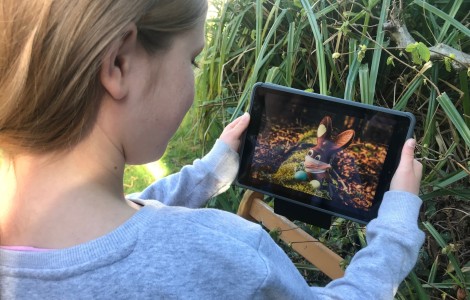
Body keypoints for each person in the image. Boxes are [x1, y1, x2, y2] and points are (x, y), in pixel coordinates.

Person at [0, 0, 424, 299]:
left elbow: (122, 224)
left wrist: (212, 170)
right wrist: (396, 232)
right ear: (119, 64)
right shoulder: (227, 253)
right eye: (193, 60)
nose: (194, 76)